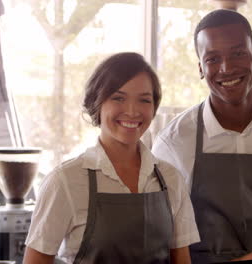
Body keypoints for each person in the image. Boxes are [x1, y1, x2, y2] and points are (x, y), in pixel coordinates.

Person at [152, 9, 252, 264]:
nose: (226, 68)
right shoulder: (175, 141)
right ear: (200, 68)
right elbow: (160, 241)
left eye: (238, 53)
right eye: (213, 59)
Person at [23, 52, 200, 264]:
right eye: (118, 98)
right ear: (97, 102)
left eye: (144, 100)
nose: (132, 111)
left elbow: (181, 260)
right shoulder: (65, 182)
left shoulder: (171, 179)